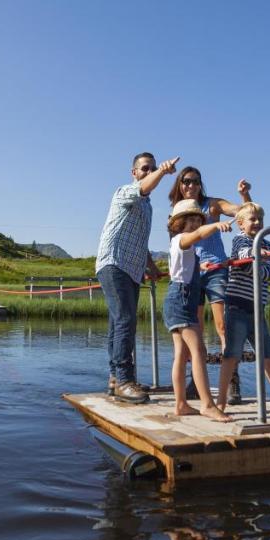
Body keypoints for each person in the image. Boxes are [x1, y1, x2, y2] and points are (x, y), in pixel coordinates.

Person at [96, 152, 179, 404]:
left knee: (118, 322)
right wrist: (163, 172)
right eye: (145, 168)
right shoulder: (124, 191)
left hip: (132, 269)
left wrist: (151, 266)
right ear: (134, 173)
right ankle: (123, 380)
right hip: (113, 263)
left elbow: (140, 241)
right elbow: (144, 187)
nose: (148, 171)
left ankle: (115, 378)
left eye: (152, 168)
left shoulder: (148, 206)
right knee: (125, 320)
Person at [168, 166, 252, 402]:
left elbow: (243, 212)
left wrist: (244, 195)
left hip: (215, 270)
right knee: (195, 332)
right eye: (186, 181)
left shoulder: (212, 205)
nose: (190, 186)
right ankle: (196, 383)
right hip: (191, 275)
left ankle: (232, 383)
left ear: (200, 184)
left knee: (223, 327)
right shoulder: (178, 211)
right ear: (179, 184)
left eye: (195, 181)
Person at [216, 203, 270, 411]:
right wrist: (255, 254)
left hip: (257, 309)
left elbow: (267, 274)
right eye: (252, 219)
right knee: (232, 355)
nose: (258, 222)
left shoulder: (267, 245)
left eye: (260, 219)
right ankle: (221, 403)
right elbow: (243, 256)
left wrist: (259, 257)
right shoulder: (239, 240)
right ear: (241, 224)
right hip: (237, 306)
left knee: (267, 355)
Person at [164, 200, 234, 422]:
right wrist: (215, 226)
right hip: (181, 300)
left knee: (181, 354)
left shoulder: (184, 245)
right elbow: (200, 235)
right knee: (199, 352)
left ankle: (181, 403)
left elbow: (182, 267)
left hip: (177, 299)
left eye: (197, 220)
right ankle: (207, 405)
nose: (195, 223)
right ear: (180, 223)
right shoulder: (183, 239)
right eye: (191, 220)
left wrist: (200, 266)